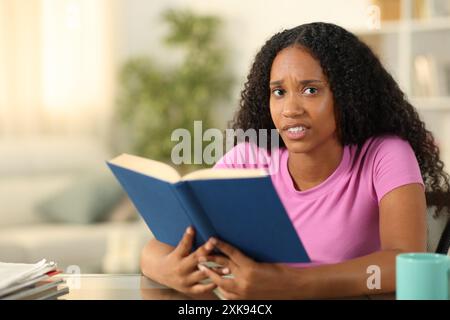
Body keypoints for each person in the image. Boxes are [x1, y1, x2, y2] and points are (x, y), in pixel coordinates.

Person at [140, 22, 450, 299]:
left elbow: (403, 263)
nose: (290, 109)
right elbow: (160, 247)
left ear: (348, 95)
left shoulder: (385, 154)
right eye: (279, 92)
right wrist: (167, 269)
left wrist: (290, 283)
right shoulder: (251, 157)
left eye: (310, 90)